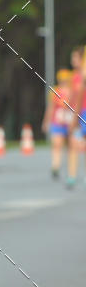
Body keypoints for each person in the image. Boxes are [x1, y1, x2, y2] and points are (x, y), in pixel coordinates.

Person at [42, 69, 72, 179]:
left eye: (65, 80)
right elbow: (50, 108)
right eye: (62, 80)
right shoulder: (55, 91)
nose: (63, 81)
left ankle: (70, 169)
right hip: (57, 122)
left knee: (69, 147)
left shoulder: (72, 91)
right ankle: (56, 166)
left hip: (69, 123)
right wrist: (46, 122)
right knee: (56, 145)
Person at [67, 46, 86, 189]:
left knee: (77, 144)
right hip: (78, 112)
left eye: (75, 57)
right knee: (74, 145)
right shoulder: (75, 76)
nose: (72, 60)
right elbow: (73, 97)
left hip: (82, 113)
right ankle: (72, 176)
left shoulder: (82, 77)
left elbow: (79, 98)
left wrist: (74, 118)